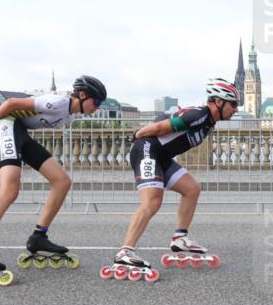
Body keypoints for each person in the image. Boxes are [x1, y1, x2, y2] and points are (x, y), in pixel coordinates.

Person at [0, 75, 107, 283]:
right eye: (97, 102)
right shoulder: (60, 102)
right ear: (82, 95)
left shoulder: (71, 115)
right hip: (7, 125)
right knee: (10, 190)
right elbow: (11, 103)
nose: (97, 107)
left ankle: (39, 237)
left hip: (21, 131)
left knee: (62, 181)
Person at [102, 78, 239, 282]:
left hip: (162, 157)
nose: (236, 109)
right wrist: (138, 134)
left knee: (192, 189)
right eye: (233, 104)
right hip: (147, 149)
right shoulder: (199, 114)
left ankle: (180, 238)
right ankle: (125, 252)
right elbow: (160, 127)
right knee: (152, 202)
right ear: (218, 101)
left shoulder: (209, 121)